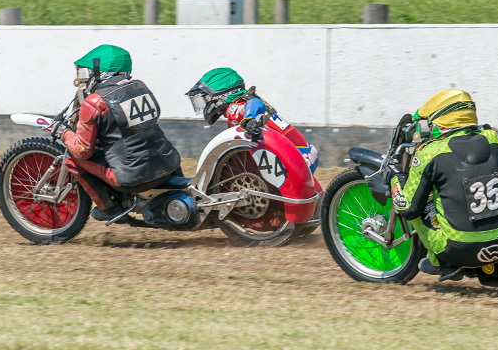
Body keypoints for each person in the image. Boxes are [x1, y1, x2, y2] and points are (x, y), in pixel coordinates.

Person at [385, 90, 498, 283]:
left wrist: (395, 176)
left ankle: (442, 263)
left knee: (419, 209)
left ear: (442, 122)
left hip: (460, 250)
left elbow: (409, 209)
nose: (430, 128)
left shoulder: (430, 153)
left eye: (431, 123)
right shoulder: (492, 138)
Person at [59, 44, 182, 222]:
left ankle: (109, 208)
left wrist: (62, 132)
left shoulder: (95, 102)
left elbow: (82, 150)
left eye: (85, 73)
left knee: (72, 157)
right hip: (169, 166)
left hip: (133, 178)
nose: (83, 80)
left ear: (99, 72)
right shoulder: (141, 86)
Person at [186, 67, 320, 176]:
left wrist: (249, 119)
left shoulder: (234, 108)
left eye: (205, 99)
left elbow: (255, 103)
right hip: (306, 153)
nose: (204, 105)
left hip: (298, 159)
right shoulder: (241, 102)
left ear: (220, 95)